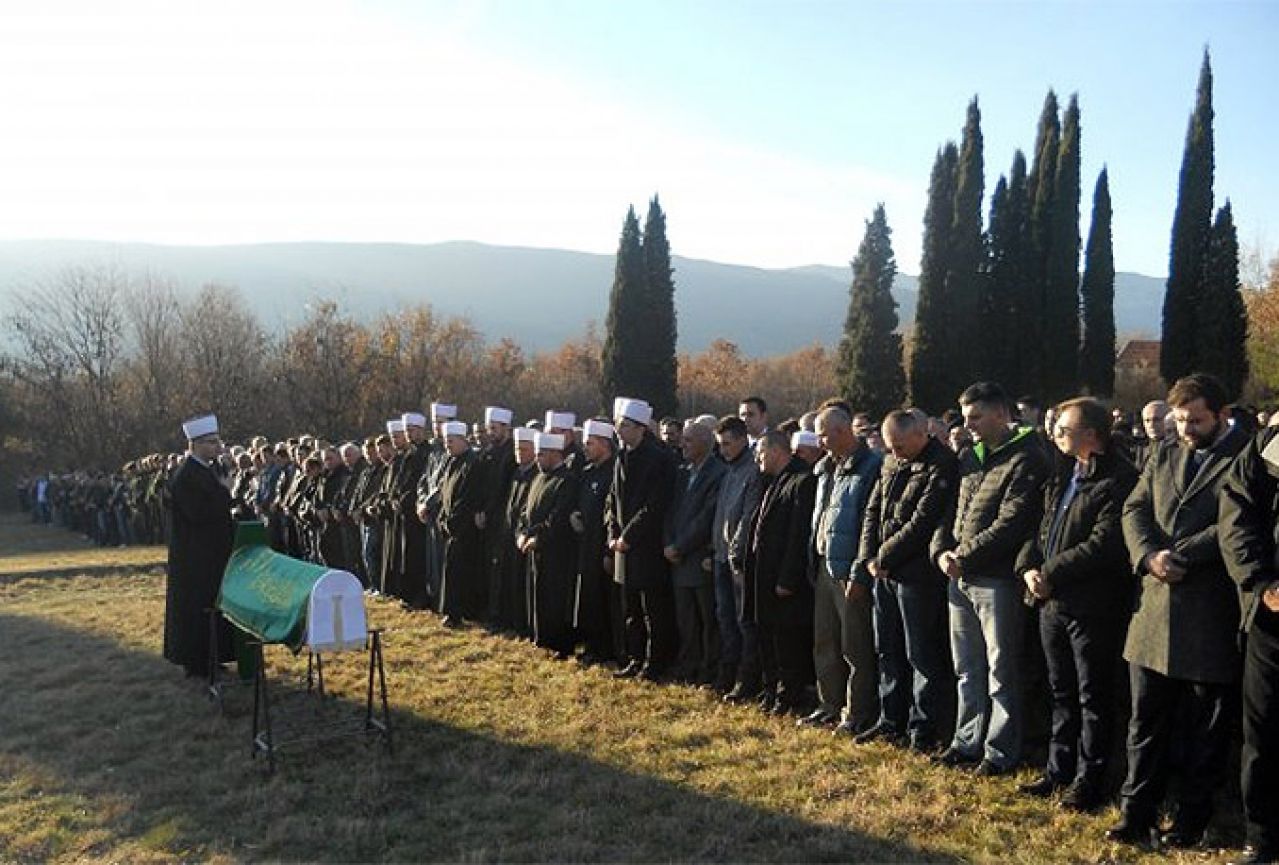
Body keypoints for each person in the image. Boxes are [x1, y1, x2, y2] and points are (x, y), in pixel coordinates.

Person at [1110, 373, 1249, 848]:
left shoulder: (1245, 458)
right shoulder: (1164, 452)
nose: (1187, 430)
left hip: (1209, 612)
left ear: (1222, 415)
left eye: (1197, 420)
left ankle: (1192, 821)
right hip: (1152, 610)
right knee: (1144, 722)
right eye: (1181, 420)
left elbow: (1238, 523)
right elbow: (1135, 509)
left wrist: (1180, 555)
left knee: (1204, 730)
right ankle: (1136, 813)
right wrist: (1149, 555)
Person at [1015, 397, 1138, 812]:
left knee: (1092, 697)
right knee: (1060, 691)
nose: (1055, 435)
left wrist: (1050, 572)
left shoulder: (1120, 479)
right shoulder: (1066, 472)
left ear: (1091, 434)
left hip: (1093, 606)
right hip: (1052, 603)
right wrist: (1029, 567)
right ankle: (1058, 769)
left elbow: (1104, 545)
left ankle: (1090, 781)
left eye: (1064, 430)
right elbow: (1043, 526)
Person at [932, 381, 1048, 776]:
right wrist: (942, 551)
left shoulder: (1028, 458)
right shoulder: (970, 457)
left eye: (976, 417)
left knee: (1001, 670)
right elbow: (951, 513)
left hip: (995, 579)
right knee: (967, 667)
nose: (969, 425)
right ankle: (967, 741)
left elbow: (1012, 523)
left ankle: (1000, 750)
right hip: (959, 576)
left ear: (1002, 413)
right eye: (966, 418)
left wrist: (961, 555)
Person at [856, 408, 958, 752]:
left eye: (900, 445)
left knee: (921, 655)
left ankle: (922, 729)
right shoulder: (890, 463)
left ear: (921, 434)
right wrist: (870, 557)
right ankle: (890, 719)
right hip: (884, 573)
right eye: (890, 446)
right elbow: (873, 510)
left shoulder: (941, 464)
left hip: (917, 575)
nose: (895, 452)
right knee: (888, 649)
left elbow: (923, 521)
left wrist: (884, 557)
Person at [1220, 421, 1279, 865]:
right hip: (1274, 613)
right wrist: (1260, 581)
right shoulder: (1273, 442)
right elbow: (1238, 508)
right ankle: (1263, 838)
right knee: (1263, 728)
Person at [804, 408, 883, 734]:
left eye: (823, 434)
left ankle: (856, 712)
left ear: (841, 431)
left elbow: (870, 523)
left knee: (855, 646)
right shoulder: (824, 469)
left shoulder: (870, 467)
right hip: (824, 563)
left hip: (850, 568)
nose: (819, 441)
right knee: (824, 640)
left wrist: (858, 572)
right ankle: (829, 704)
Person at [744, 430, 818, 715]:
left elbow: (798, 536)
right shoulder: (775, 480)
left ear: (776, 450)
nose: (758, 458)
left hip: (783, 581)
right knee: (766, 636)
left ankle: (790, 694)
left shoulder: (802, 481)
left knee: (785, 641)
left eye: (761, 452)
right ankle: (771, 688)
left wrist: (788, 578)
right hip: (764, 574)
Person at [608, 397, 678, 682]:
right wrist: (613, 532)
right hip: (624, 546)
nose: (619, 431)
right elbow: (613, 498)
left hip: (647, 545)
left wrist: (628, 535)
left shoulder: (659, 458)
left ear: (640, 428)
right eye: (617, 425)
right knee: (631, 608)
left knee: (653, 609)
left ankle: (654, 662)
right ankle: (634, 657)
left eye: (624, 426)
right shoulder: (622, 454)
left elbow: (655, 505)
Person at [163, 414, 235, 678]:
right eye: (211, 442)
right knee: (197, 607)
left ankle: (212, 656)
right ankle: (197, 660)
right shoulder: (186, 476)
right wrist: (225, 492)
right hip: (196, 557)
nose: (217, 448)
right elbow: (198, 513)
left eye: (218, 442)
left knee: (212, 605)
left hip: (211, 553)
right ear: (195, 445)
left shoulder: (206, 470)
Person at [664, 419, 726, 685]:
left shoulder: (718, 473)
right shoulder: (682, 472)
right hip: (677, 557)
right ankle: (688, 664)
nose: (682, 444)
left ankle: (709, 668)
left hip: (699, 557)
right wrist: (668, 543)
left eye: (688, 440)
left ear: (704, 443)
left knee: (707, 619)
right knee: (685, 618)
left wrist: (680, 546)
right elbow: (669, 511)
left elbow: (706, 517)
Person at [518, 431, 581, 655]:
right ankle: (539, 635)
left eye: (541, 454)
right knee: (537, 593)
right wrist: (522, 533)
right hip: (534, 546)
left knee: (555, 597)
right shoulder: (538, 478)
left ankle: (557, 643)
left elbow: (558, 517)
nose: (537, 459)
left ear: (555, 454)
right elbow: (526, 511)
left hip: (556, 549)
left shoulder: (567, 481)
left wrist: (538, 537)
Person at [711, 415, 759, 695]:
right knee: (725, 618)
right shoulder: (728, 470)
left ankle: (746, 679)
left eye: (728, 444)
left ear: (742, 440)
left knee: (743, 622)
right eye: (721, 445)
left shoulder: (752, 470)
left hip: (737, 561)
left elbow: (747, 517)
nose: (724, 450)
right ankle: (726, 675)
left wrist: (735, 553)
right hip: (720, 555)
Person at [573, 419, 620, 664]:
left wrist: (607, 551)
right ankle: (590, 644)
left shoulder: (614, 472)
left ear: (604, 444)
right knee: (588, 597)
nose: (585, 448)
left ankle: (606, 648)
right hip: (586, 545)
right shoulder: (588, 472)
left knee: (605, 599)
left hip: (604, 546)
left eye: (590, 444)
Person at [437, 420, 484, 626]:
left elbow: (467, 498)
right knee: (450, 570)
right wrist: (441, 517)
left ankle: (460, 613)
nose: (447, 445)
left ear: (463, 440)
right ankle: (451, 611)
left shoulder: (472, 463)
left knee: (461, 572)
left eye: (451, 441)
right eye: (446, 441)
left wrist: (452, 521)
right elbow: (444, 494)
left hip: (464, 529)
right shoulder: (450, 462)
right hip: (450, 526)